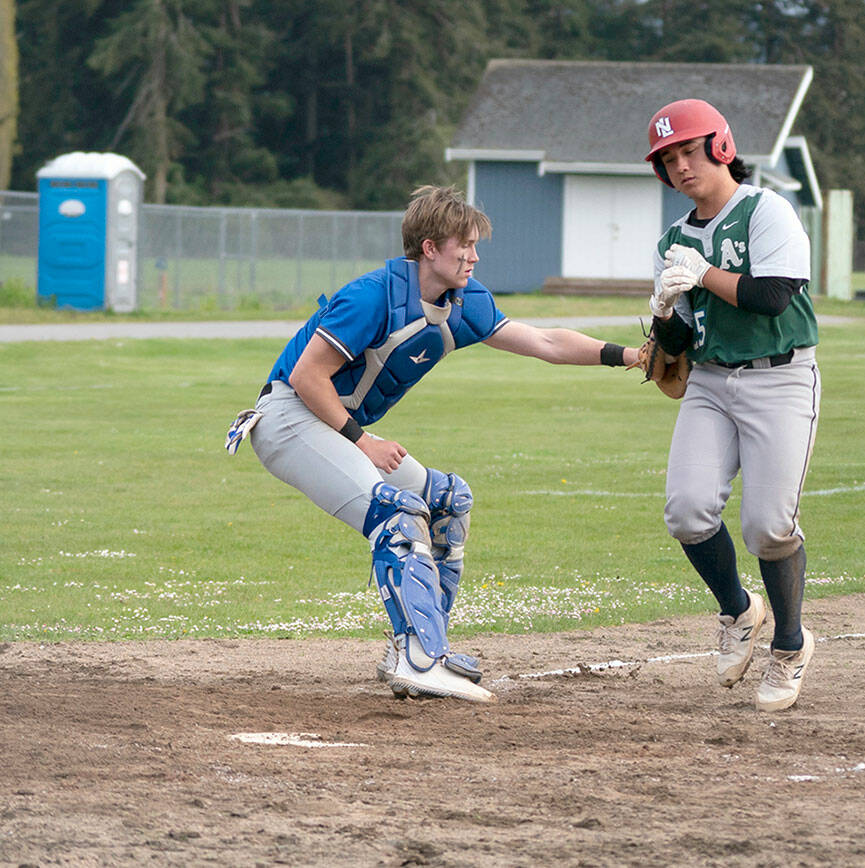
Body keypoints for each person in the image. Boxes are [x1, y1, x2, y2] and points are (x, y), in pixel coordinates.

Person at [225, 185, 638, 703]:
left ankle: (425, 649)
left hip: (329, 423)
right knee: (395, 516)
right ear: (428, 248)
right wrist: (364, 442)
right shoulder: (373, 295)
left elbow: (545, 342)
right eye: (463, 244)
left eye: (475, 245)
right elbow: (308, 377)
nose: (474, 255)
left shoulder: (464, 303)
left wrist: (629, 356)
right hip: (288, 418)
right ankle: (420, 659)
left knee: (448, 500)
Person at [642, 99, 821, 712]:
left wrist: (702, 272)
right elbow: (678, 344)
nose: (682, 166)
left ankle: (791, 645)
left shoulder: (767, 210)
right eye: (669, 159)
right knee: (687, 511)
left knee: (768, 527)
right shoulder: (672, 239)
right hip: (712, 382)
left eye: (690, 150)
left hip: (781, 378)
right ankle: (740, 611)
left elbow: (772, 296)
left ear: (721, 146)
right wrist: (665, 311)